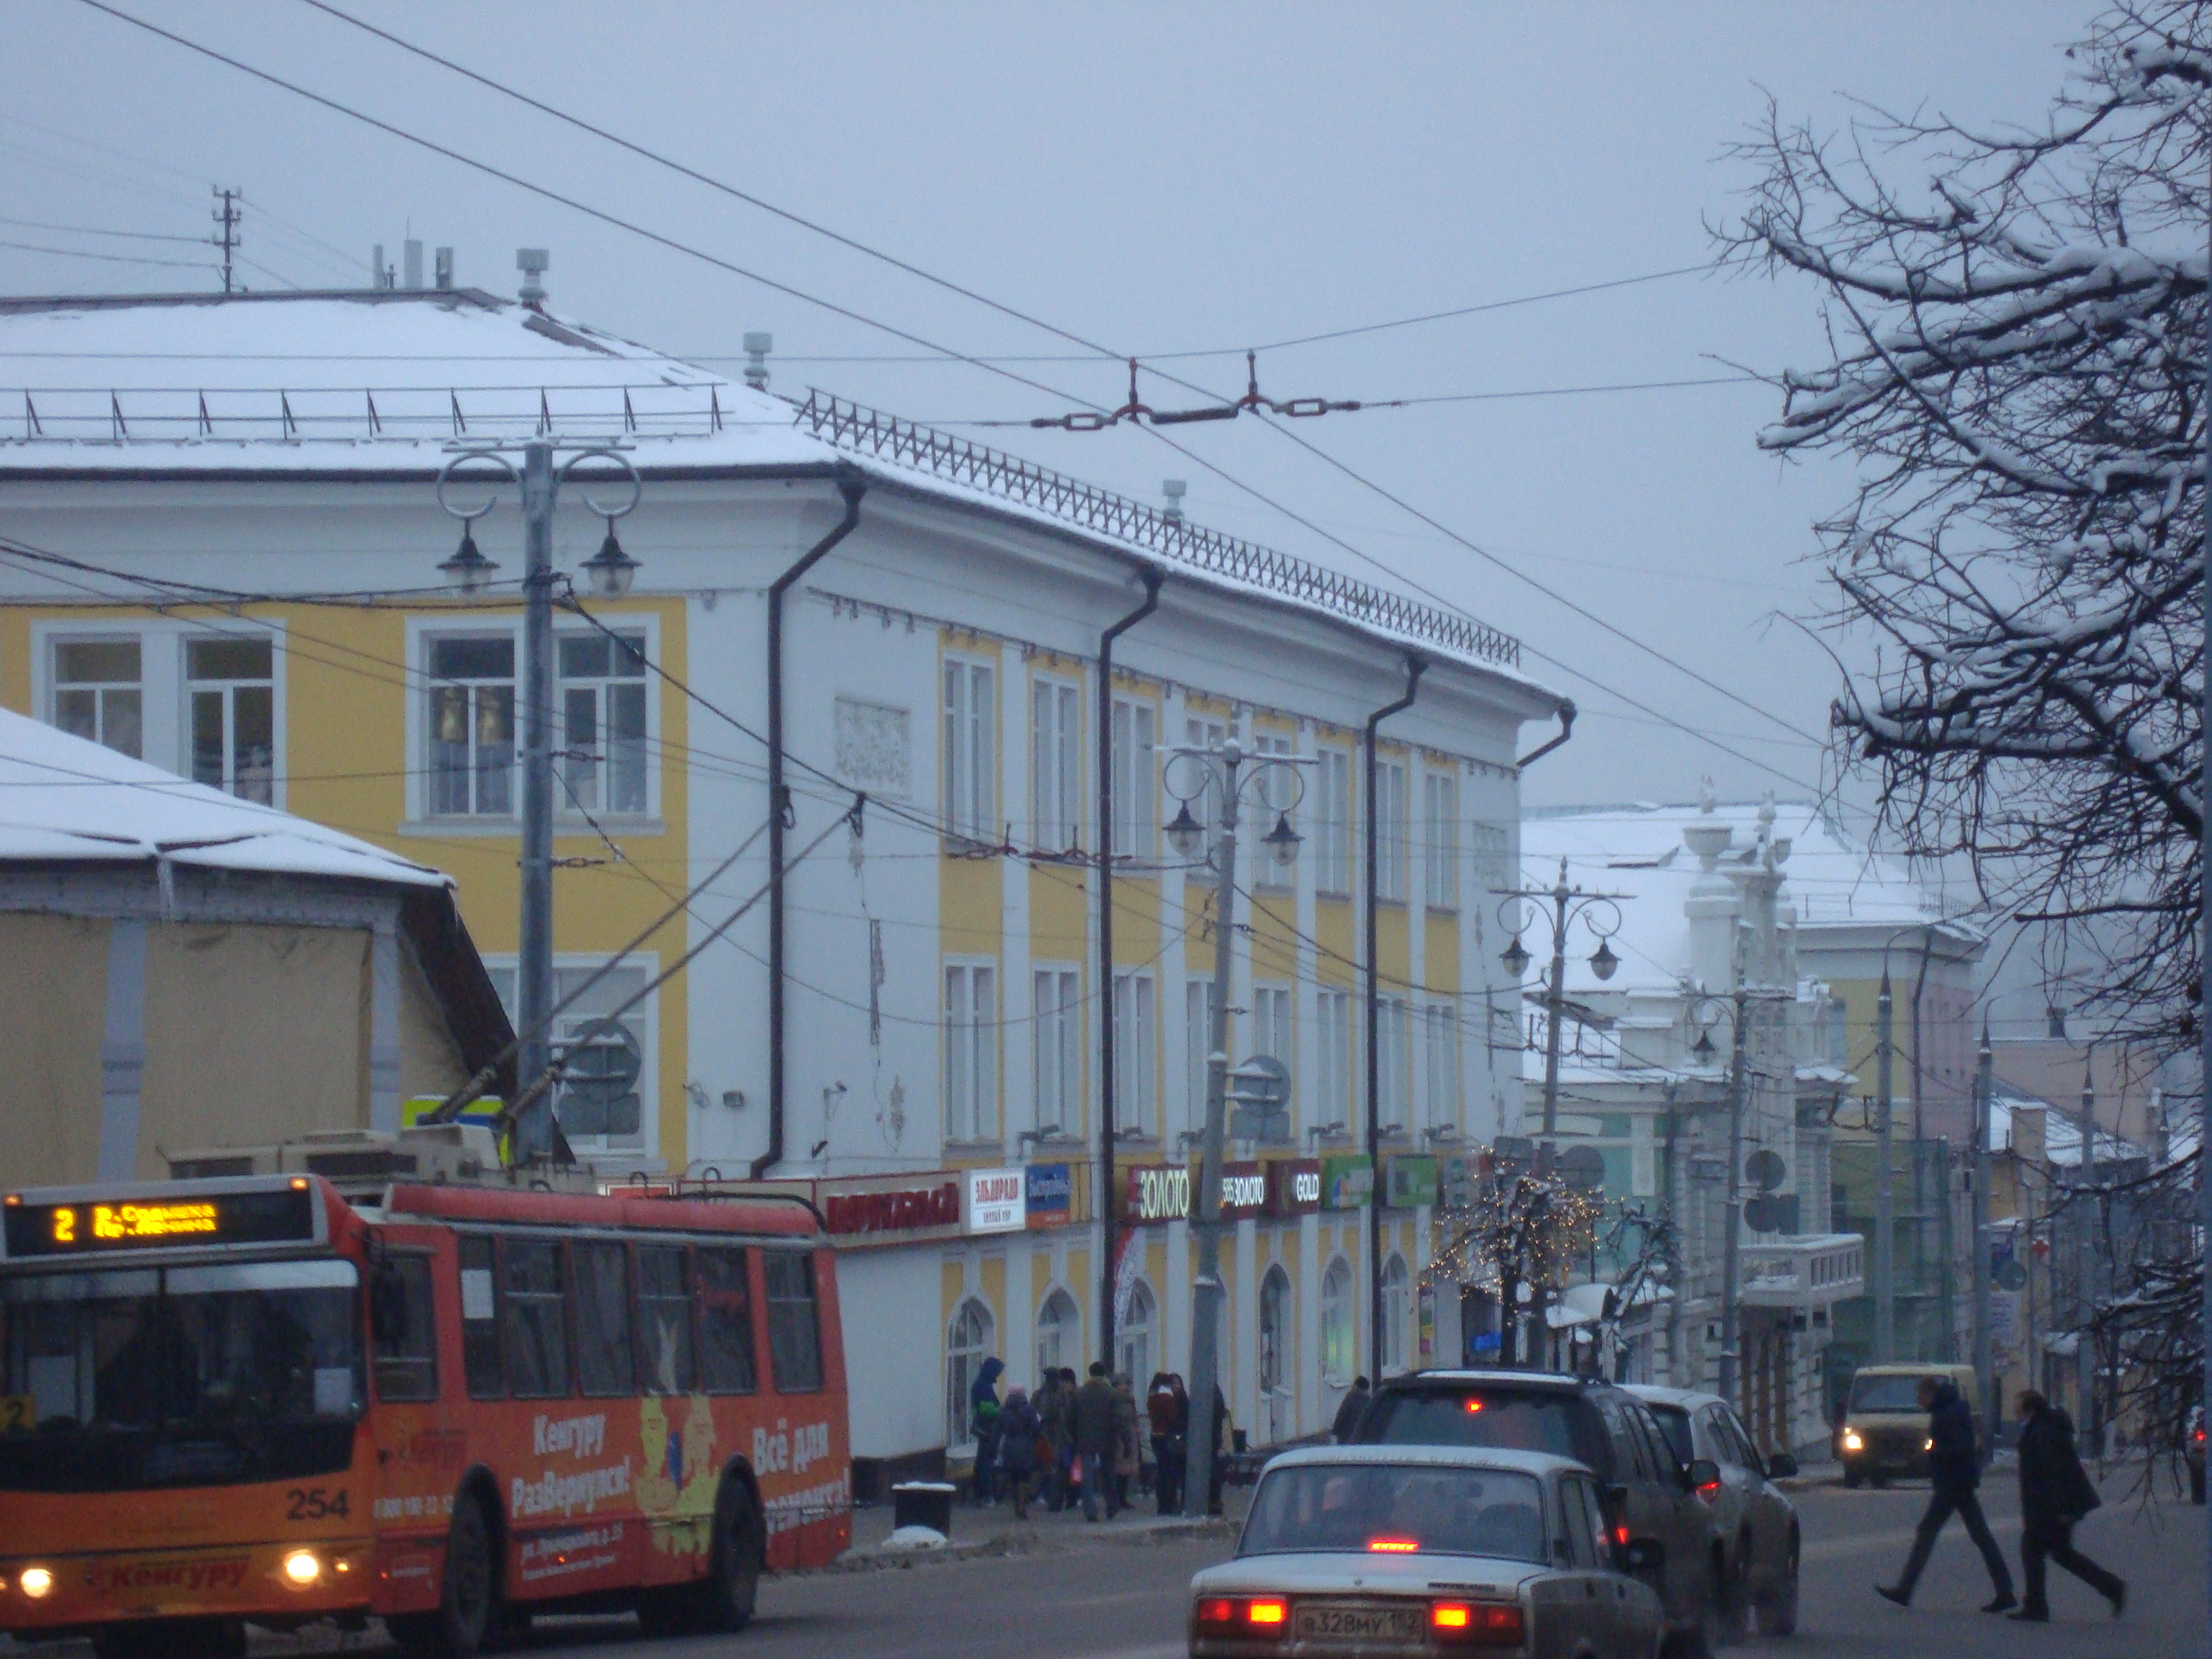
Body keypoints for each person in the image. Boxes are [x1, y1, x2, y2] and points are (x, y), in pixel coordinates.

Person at [1876, 1375, 2015, 1614]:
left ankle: (1905, 1590)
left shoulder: (1946, 1415)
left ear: (1930, 1394)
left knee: (1928, 1533)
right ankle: (2005, 1591)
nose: (1919, 1401)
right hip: (1959, 1483)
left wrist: (1935, 1453)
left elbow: (1960, 1448)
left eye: (1920, 1396)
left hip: (1953, 1484)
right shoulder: (1952, 1410)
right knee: (1980, 1537)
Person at [2010, 1390, 2124, 1622]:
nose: (2016, 1414)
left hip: (2051, 1508)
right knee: (2062, 1554)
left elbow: (2054, 1474)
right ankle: (2112, 1587)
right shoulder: (2044, 1428)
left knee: (2032, 1550)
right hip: (2054, 1506)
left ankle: (2036, 1607)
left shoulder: (2041, 1433)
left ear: (2030, 1410)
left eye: (2019, 1409)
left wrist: (2062, 1510)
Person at [1072, 1361, 1121, 1521]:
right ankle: (1112, 1507)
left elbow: (1069, 1418)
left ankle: (1090, 1511)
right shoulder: (1112, 1393)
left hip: (1085, 1439)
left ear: (1090, 1373)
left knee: (1087, 1476)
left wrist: (1074, 1437)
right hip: (1108, 1439)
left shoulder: (1080, 1393)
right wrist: (1124, 1439)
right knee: (1108, 1474)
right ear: (1105, 1374)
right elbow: (1119, 1419)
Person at [996, 1386, 1042, 1520]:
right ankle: (1024, 1505)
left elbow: (997, 1430)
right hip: (1026, 1445)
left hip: (1009, 1446)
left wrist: (993, 1448)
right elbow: (1035, 1429)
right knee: (1026, 1477)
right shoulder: (1029, 1410)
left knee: (1014, 1477)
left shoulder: (1003, 1411)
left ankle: (1017, 1505)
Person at [968, 1357, 1004, 1506]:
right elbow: (986, 1409)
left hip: (985, 1428)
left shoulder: (981, 1384)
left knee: (983, 1461)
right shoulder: (983, 1387)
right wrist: (1001, 1411)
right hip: (987, 1428)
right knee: (986, 1463)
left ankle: (982, 1494)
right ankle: (984, 1496)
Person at [1148, 1372, 1183, 1516]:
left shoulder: (1152, 1397)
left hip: (1155, 1436)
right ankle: (1170, 1503)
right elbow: (1173, 1418)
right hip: (1167, 1437)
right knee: (1169, 1472)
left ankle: (1161, 1505)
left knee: (1162, 1471)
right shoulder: (1167, 1398)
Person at [1112, 1374, 1141, 1514]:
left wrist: (1136, 1428)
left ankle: (1122, 1497)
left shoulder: (1130, 1400)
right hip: (1118, 1438)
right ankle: (1117, 1498)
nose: (1125, 1388)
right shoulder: (1115, 1400)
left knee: (1127, 1469)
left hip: (1129, 1436)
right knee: (1119, 1469)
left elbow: (1134, 1417)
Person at [1332, 1375, 1372, 1443]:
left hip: (1345, 1435)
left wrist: (1335, 1430)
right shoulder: (1369, 1400)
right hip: (1361, 1436)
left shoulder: (1351, 1397)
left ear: (1356, 1385)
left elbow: (1342, 1414)